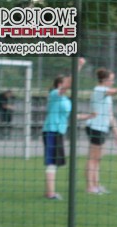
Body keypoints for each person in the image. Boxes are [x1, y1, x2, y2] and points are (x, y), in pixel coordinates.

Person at [42, 58, 94, 200]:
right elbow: (69, 84)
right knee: (51, 162)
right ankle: (50, 193)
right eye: (65, 82)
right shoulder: (54, 94)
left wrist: (89, 116)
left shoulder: (66, 100)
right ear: (60, 84)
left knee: (55, 163)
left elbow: (73, 116)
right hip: (51, 131)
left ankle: (50, 191)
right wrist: (78, 66)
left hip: (59, 132)